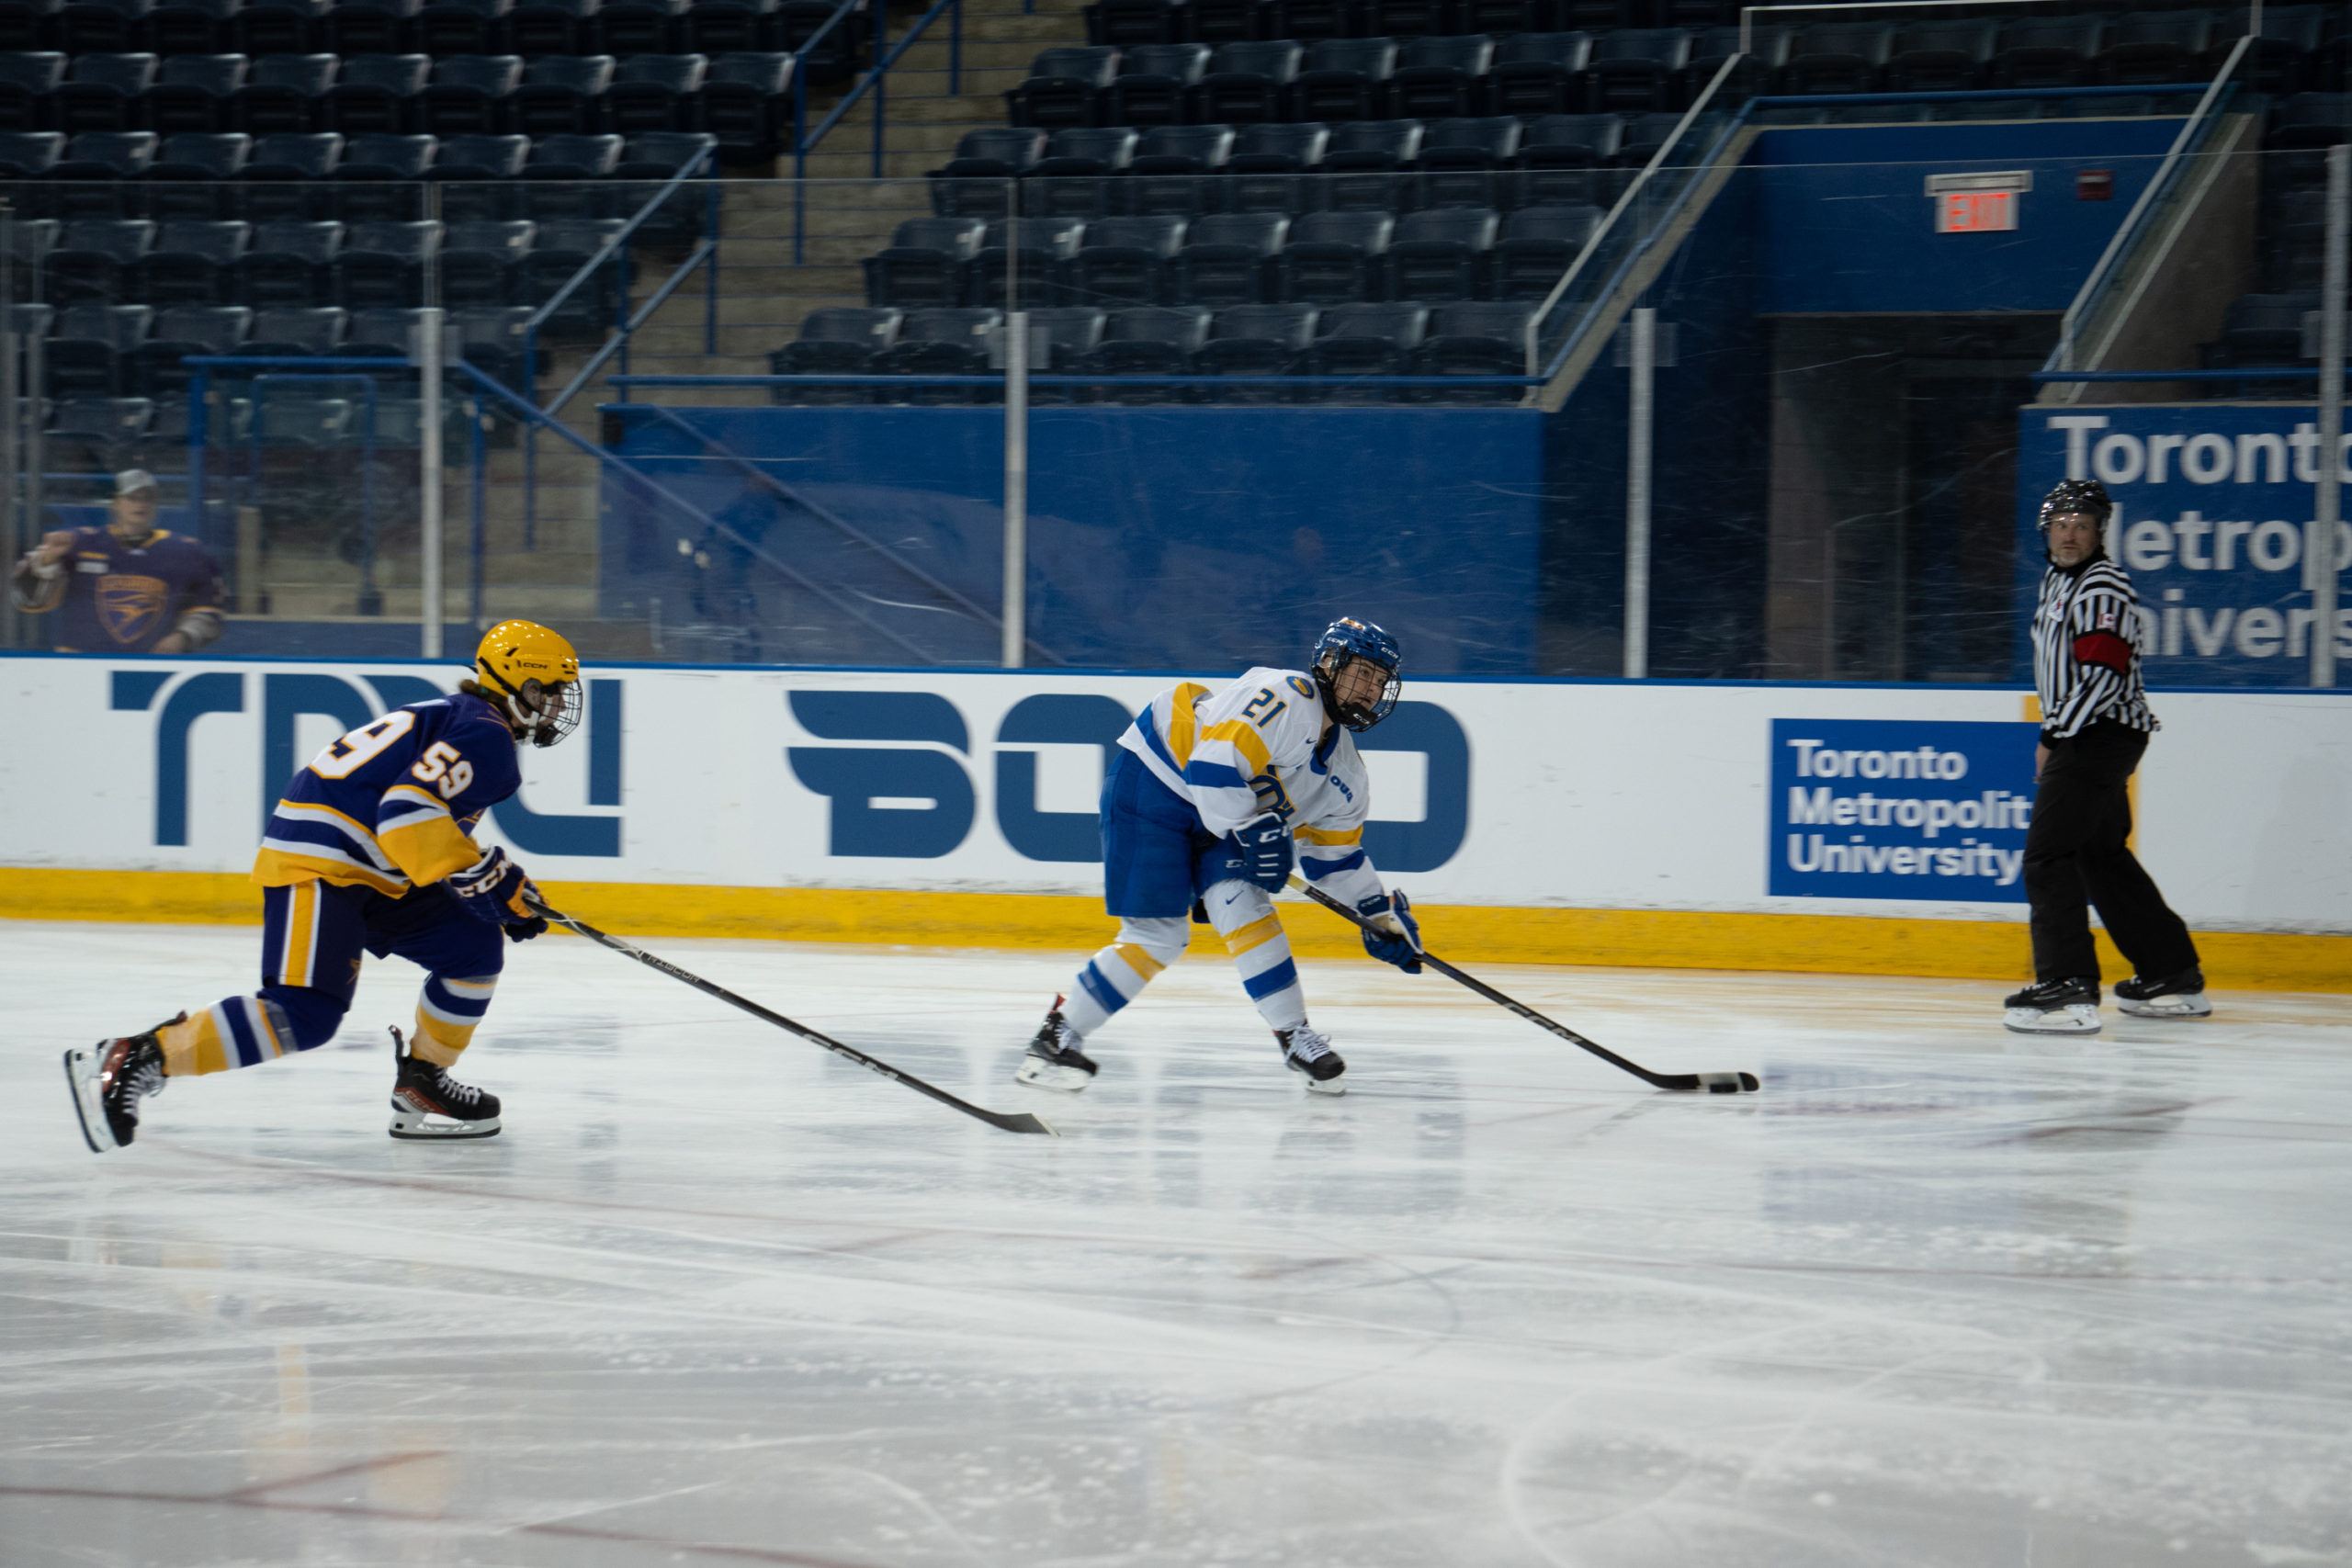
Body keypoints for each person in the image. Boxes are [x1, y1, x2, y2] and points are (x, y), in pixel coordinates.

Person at [63, 620, 584, 1152]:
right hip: (325, 865)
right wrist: (490, 879)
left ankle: (422, 1083)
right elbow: (405, 814)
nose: (558, 705)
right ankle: (138, 1058)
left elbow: (413, 825)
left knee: (472, 949)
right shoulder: (486, 735)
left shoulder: (465, 720)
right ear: (523, 685)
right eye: (553, 691)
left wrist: (490, 886)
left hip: (370, 868)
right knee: (304, 1013)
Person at [1018, 616, 1425, 1097]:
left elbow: (1336, 859)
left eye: (1380, 681)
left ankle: (1295, 1035)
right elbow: (1211, 766)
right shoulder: (1288, 696)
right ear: (1330, 665)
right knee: (1158, 936)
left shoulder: (1347, 775)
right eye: (1363, 673)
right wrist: (1253, 829)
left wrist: (1376, 915)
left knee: (1245, 905)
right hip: (1158, 780)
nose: (1371, 690)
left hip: (1225, 811)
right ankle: (1057, 1035)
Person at [2004, 479, 2208, 1035]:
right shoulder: (2059, 581)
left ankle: (2068, 984)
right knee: (2101, 855)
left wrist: (2053, 735)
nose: (2070, 535)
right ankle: (2170, 972)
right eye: (2061, 524)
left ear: (2099, 534)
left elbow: (2102, 675)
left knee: (2047, 856)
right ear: (2047, 531)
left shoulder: (2102, 586)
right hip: (2094, 733)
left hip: (2097, 733)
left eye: (2083, 526)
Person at [10, 469, 225, 654]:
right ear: (115, 503)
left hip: (150, 667)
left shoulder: (186, 551)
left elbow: (209, 611)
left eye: (147, 498)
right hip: (78, 667)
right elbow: (28, 601)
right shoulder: (77, 543)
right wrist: (46, 562)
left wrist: (183, 636)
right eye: (132, 498)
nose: (141, 504)